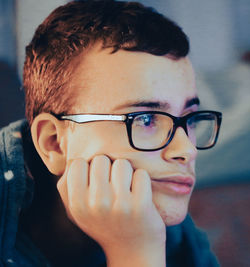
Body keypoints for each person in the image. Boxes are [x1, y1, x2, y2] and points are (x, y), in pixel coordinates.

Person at [0, 1, 221, 266]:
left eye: (190, 119)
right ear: (54, 143)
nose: (187, 150)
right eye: (146, 119)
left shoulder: (164, 219)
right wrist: (137, 253)